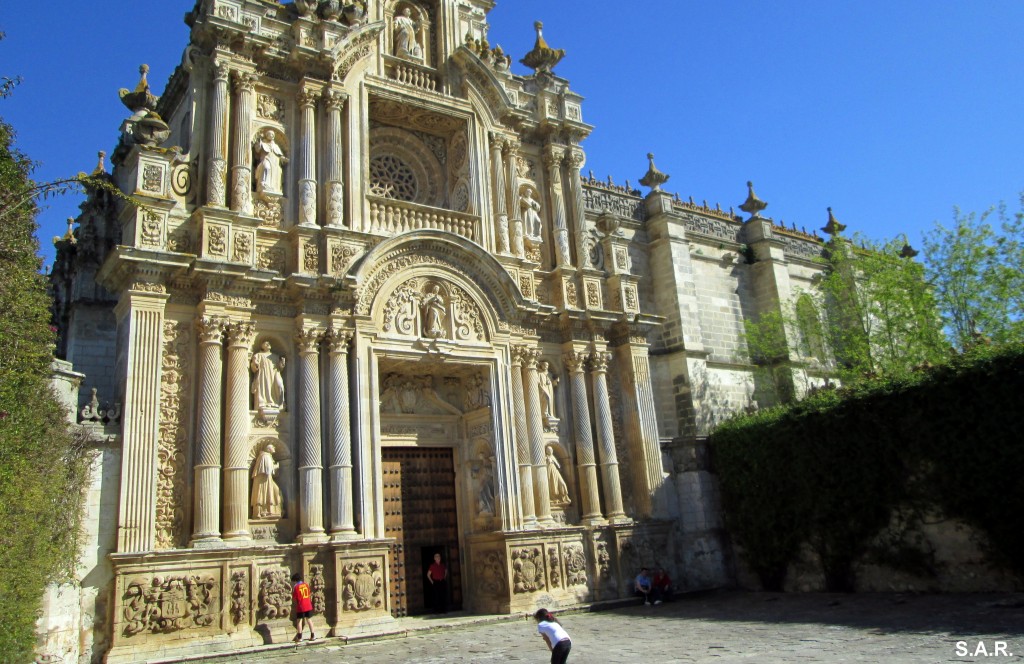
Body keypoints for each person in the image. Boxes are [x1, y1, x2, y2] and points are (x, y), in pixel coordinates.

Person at [250, 444, 283, 519]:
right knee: (264, 493)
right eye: (272, 447)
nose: (274, 447)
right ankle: (264, 511)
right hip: (264, 480)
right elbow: (268, 470)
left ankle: (271, 510)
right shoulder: (265, 456)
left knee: (275, 490)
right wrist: (276, 466)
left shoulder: (266, 456)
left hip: (266, 479)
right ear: (268, 449)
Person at [251, 340, 285, 410]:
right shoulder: (258, 355)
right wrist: (255, 364)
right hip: (263, 375)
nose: (268, 344)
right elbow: (254, 368)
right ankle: (263, 403)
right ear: (262, 346)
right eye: (265, 343)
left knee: (280, 386)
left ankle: (279, 404)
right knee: (263, 387)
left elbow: (280, 368)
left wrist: (282, 363)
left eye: (268, 343)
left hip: (274, 374)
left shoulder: (276, 356)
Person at [254, 129, 287, 196]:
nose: (271, 135)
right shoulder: (263, 144)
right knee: (266, 167)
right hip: (266, 159)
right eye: (269, 134)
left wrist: (284, 159)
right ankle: (263, 183)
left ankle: (274, 188)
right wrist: (259, 140)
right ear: (266, 136)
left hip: (274, 163)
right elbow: (257, 151)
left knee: (277, 171)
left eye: (272, 134)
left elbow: (280, 155)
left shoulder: (276, 146)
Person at [291, 572, 315, 642]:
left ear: (295, 580)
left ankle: (300, 637)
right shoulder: (306, 585)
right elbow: (309, 593)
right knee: (309, 619)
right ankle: (313, 636)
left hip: (301, 605)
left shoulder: (296, 587)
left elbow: (294, 597)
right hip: (308, 604)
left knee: (299, 621)